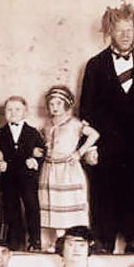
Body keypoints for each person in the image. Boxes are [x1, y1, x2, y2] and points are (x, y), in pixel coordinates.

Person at [79, 2, 134, 254]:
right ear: (110, 32)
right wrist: (89, 147)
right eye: (120, 30)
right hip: (106, 145)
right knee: (104, 193)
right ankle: (103, 242)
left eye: (130, 30)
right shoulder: (95, 65)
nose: (126, 35)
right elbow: (86, 109)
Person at [39, 86, 99, 251]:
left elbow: (94, 134)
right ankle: (58, 241)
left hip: (67, 170)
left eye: (58, 103)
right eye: (52, 104)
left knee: (67, 203)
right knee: (54, 203)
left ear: (66, 105)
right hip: (50, 168)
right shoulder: (47, 124)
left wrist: (79, 152)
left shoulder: (75, 123)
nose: (55, 107)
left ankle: (71, 241)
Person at [0, 96, 45, 252]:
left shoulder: (32, 132)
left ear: (25, 112)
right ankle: (15, 241)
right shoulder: (0, 133)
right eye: (9, 110)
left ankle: (35, 241)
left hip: (27, 176)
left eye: (17, 109)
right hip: (8, 177)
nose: (13, 113)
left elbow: (41, 149)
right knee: (10, 207)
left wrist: (35, 160)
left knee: (31, 206)